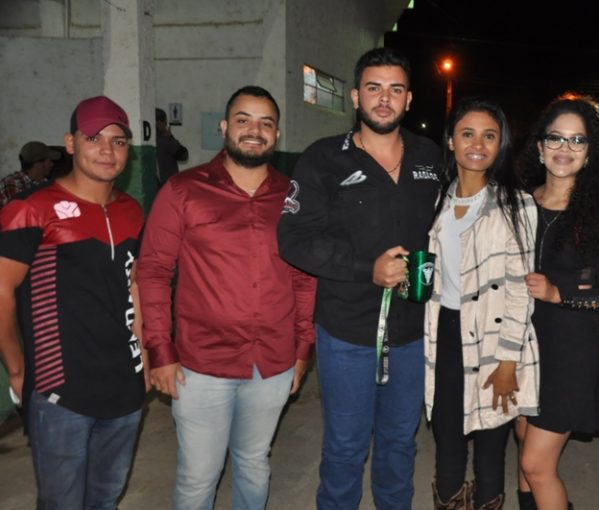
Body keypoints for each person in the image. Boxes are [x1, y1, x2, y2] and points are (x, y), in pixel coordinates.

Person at [136, 85, 316, 510]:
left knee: (254, 463)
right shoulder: (183, 190)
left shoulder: (293, 198)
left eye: (265, 123)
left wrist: (302, 348)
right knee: (199, 476)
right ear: (224, 127)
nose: (254, 130)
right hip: (201, 365)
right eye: (243, 120)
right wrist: (160, 350)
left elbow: (304, 278)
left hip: (271, 362)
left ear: (276, 134)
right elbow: (154, 271)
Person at [277, 47, 441, 509]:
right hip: (347, 332)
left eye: (395, 89)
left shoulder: (430, 157)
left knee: (399, 444)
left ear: (409, 99)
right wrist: (366, 269)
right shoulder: (323, 159)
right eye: (374, 88)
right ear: (355, 96)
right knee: (346, 449)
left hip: (412, 334)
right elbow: (293, 239)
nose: (384, 99)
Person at [0, 95, 148, 508]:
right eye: (93, 138)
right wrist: (17, 368)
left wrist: (145, 357)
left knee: (105, 497)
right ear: (70, 143)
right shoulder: (31, 209)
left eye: (118, 141)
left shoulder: (132, 211)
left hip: (124, 387)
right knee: (61, 502)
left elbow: (134, 286)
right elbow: (1, 291)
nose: (107, 150)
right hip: (60, 391)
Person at [423, 97, 539, 510]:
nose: (477, 144)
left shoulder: (517, 205)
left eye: (489, 136)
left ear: (500, 144)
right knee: (448, 436)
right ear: (451, 141)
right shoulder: (435, 199)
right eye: (467, 134)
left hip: (494, 335)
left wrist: (508, 360)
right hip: (444, 331)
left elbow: (520, 289)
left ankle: (488, 501)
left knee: (491, 442)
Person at [515, 94, 599, 510]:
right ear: (540, 146)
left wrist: (558, 293)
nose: (565, 148)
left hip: (569, 353)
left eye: (577, 140)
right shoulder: (519, 204)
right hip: (520, 346)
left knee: (537, 465)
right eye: (556, 138)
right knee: (523, 443)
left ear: (590, 152)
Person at [0, 141, 60, 206]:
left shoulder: (47, 183)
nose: (52, 164)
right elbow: (17, 209)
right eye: (50, 161)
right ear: (39, 163)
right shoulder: (12, 183)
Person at [155, 107, 189, 186]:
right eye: (165, 122)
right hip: (166, 185)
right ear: (159, 123)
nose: (166, 125)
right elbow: (183, 155)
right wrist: (170, 137)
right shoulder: (165, 141)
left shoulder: (150, 139)